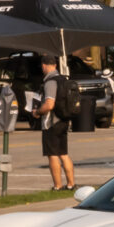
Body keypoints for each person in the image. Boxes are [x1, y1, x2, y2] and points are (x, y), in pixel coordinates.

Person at [38, 57, 74, 190]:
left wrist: (37, 112)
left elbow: (49, 105)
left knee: (52, 154)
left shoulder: (50, 82)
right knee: (64, 154)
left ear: (44, 65)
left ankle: (57, 186)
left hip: (51, 123)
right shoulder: (63, 80)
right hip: (64, 120)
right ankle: (71, 184)